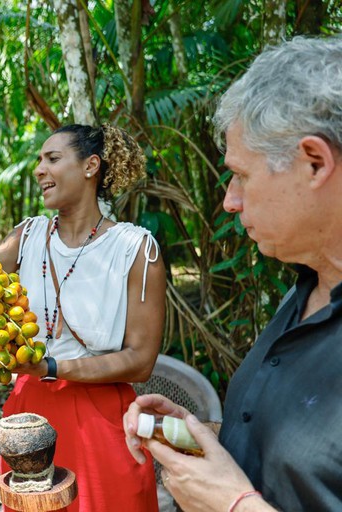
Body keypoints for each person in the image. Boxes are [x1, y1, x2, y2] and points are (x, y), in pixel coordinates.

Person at [122, 36, 342, 512]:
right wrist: (199, 435)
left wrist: (231, 504)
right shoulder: (307, 290)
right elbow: (300, 467)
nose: (230, 200)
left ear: (315, 163)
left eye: (241, 175)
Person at [0, 124, 166, 511]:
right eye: (39, 160)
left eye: (53, 158)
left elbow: (141, 361)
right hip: (28, 419)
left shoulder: (135, 248)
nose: (39, 169)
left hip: (103, 420)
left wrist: (51, 367)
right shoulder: (27, 235)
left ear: (91, 166)